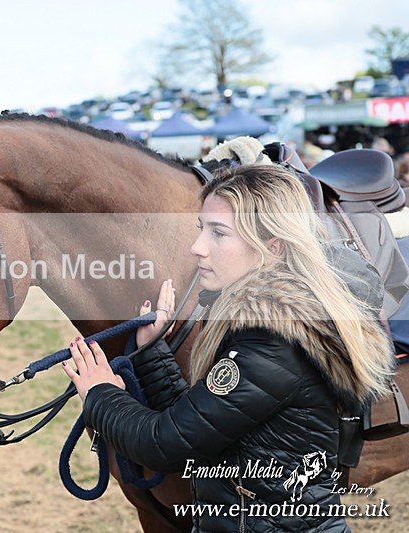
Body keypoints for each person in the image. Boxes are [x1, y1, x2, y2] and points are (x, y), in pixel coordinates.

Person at [62, 165, 395, 531]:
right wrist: (153, 352)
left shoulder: (272, 343)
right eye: (201, 229)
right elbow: (205, 424)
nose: (197, 248)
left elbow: (165, 444)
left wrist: (101, 394)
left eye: (218, 233)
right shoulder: (260, 326)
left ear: (273, 247)